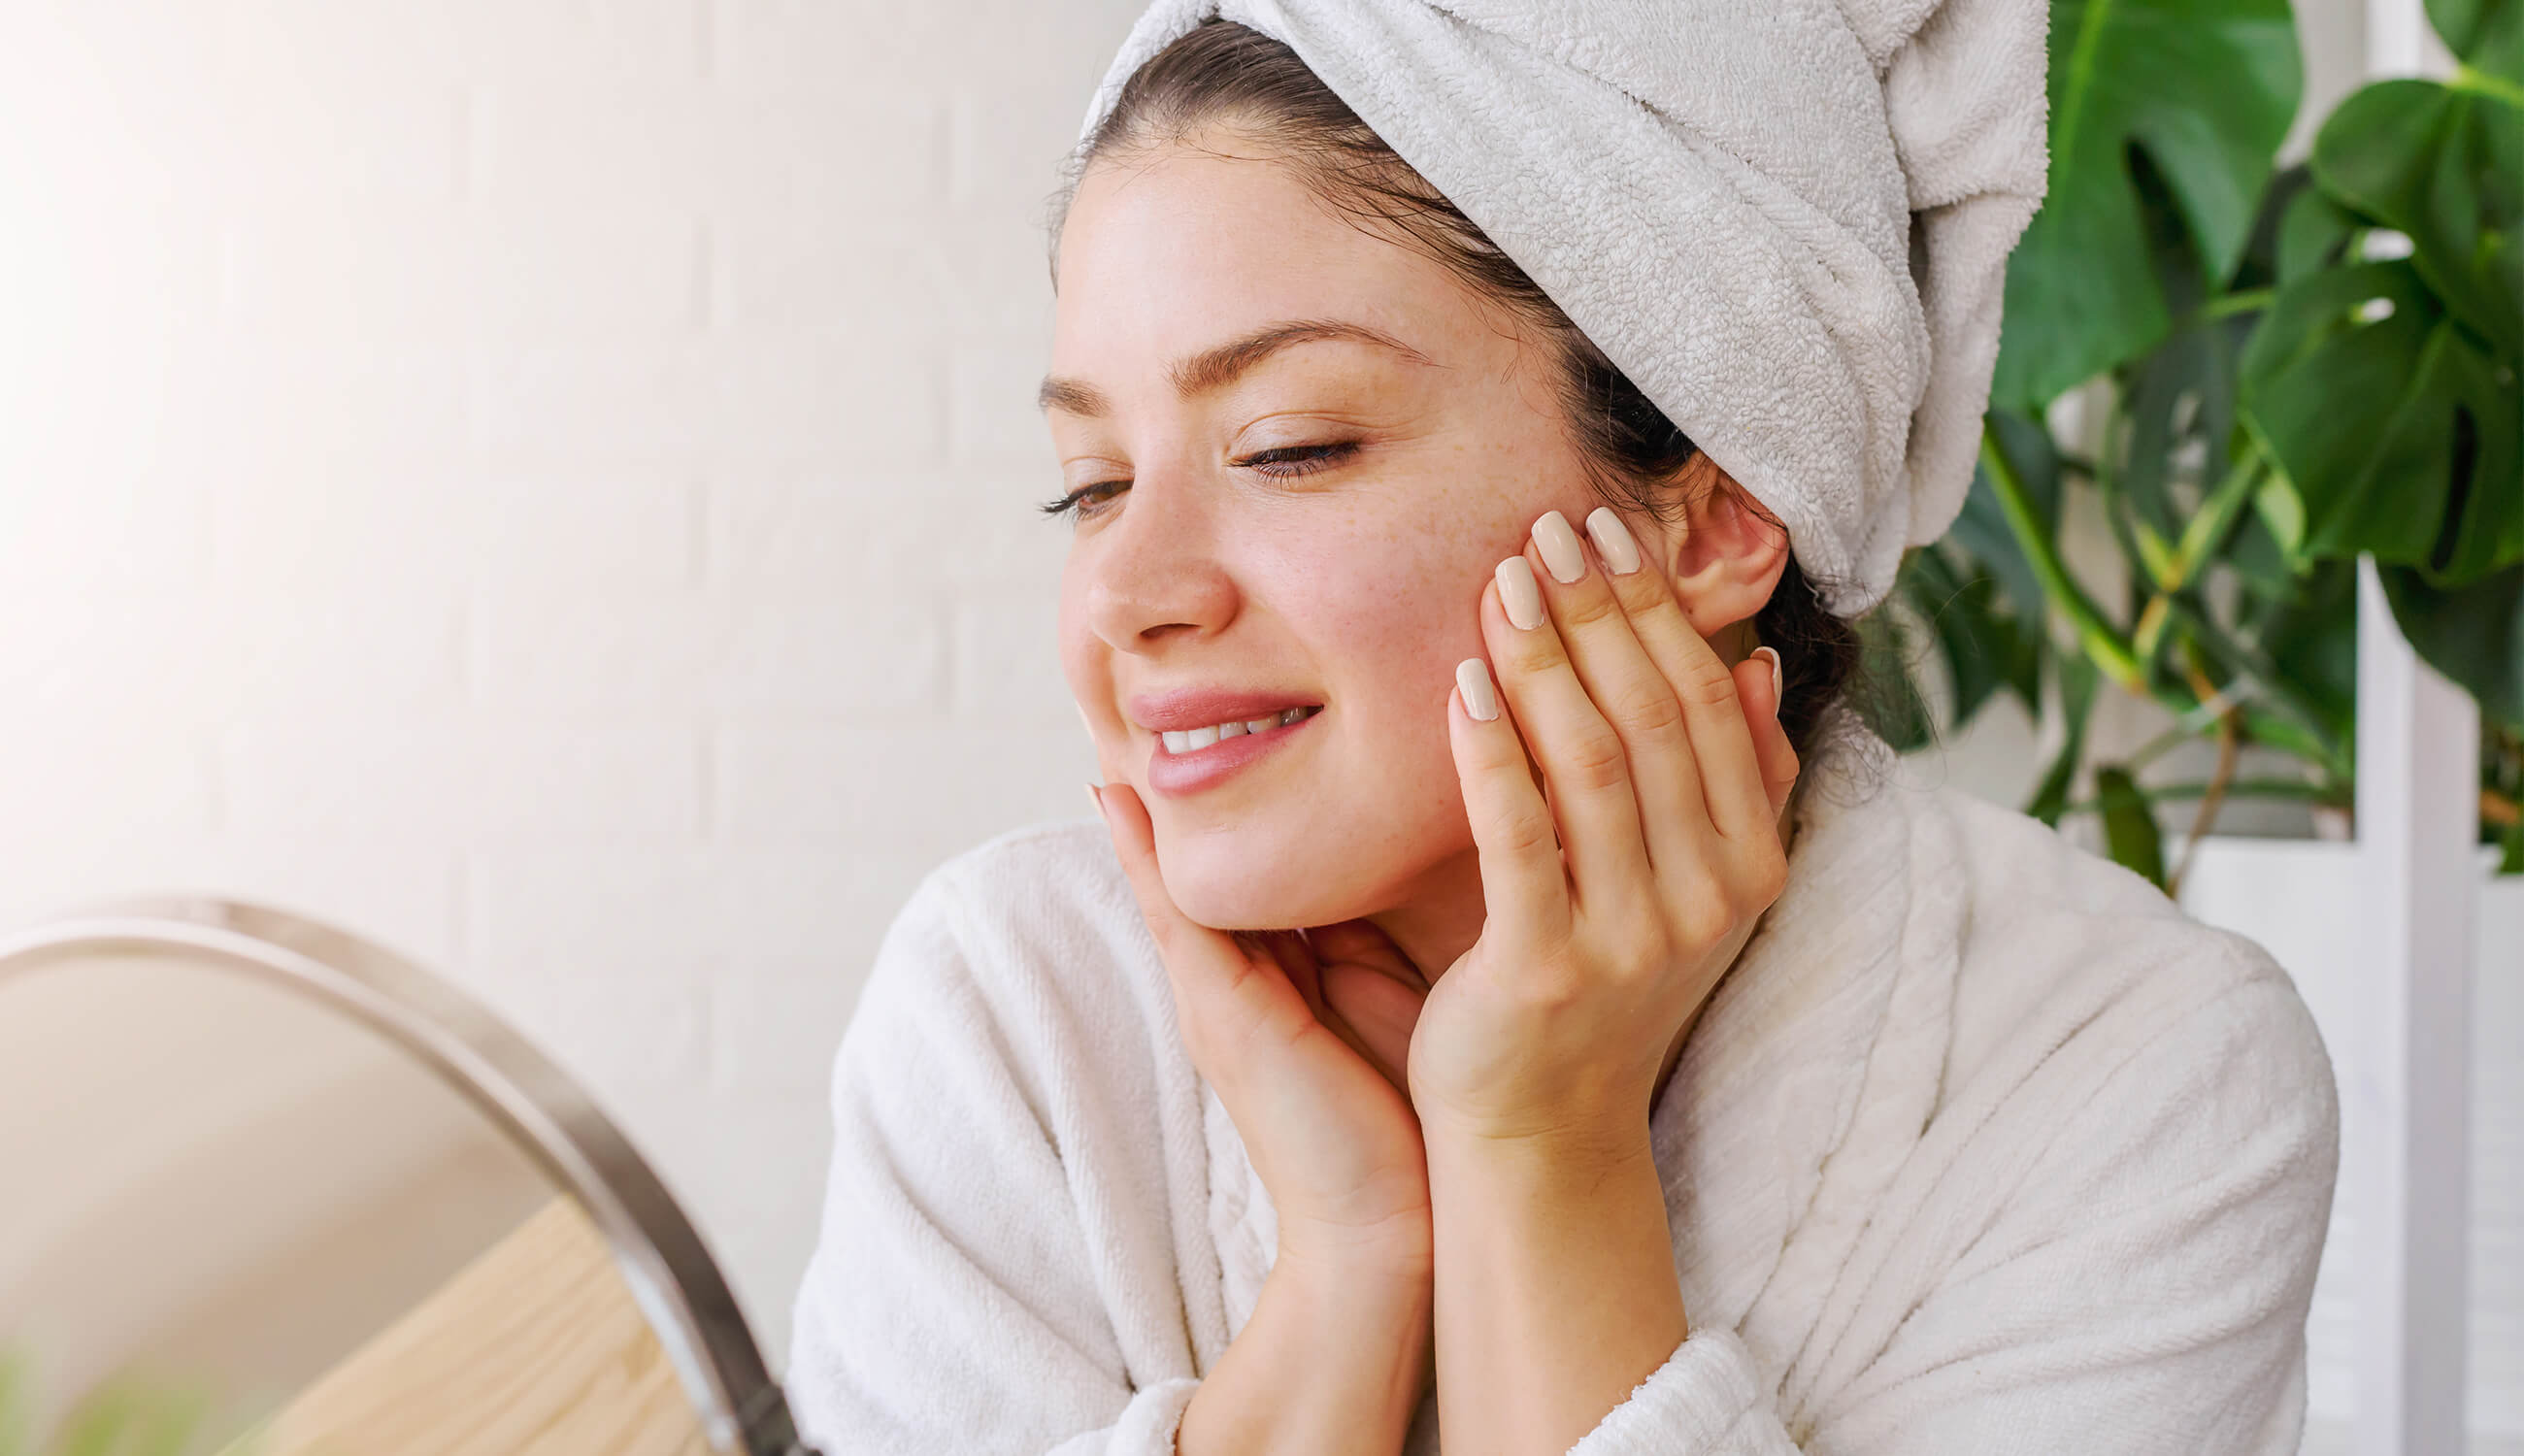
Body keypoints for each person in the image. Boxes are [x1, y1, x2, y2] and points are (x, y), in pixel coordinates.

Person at [786, 7, 2339, 1454]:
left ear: (1718, 502)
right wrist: (1349, 1266)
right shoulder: (1009, 1018)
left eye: (1290, 446)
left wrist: (1546, 1145)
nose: (1125, 591)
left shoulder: (2130, 1073)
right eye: (1094, 485)